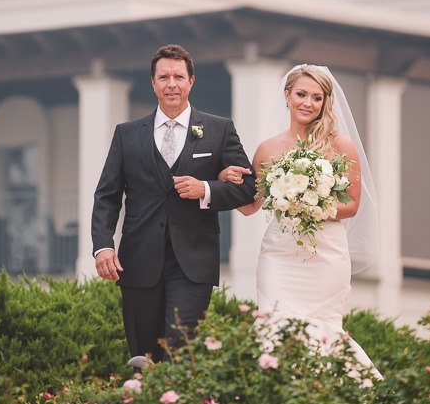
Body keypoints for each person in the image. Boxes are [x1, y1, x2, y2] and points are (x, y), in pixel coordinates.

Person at [92, 44, 256, 366]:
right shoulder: (126, 135)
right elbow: (107, 194)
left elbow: (248, 189)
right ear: (152, 83)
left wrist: (206, 188)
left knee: (181, 351)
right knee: (143, 356)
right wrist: (103, 247)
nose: (171, 84)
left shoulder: (219, 130)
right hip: (138, 260)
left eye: (178, 76)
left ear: (191, 81)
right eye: (163, 76)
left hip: (193, 262)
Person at [220, 63, 381, 379]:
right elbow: (250, 206)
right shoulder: (268, 148)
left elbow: (350, 205)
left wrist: (308, 205)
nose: (308, 103)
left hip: (325, 255)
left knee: (323, 330)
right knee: (273, 325)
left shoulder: (340, 145)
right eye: (302, 94)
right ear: (287, 96)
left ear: (325, 102)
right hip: (279, 255)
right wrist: (225, 179)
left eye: (317, 97)